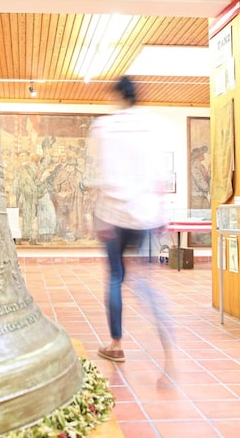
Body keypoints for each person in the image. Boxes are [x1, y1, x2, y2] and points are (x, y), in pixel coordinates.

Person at [84, 76, 174, 364]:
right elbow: (161, 174)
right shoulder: (154, 125)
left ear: (118, 97)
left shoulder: (103, 127)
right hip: (146, 215)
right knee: (145, 281)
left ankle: (116, 343)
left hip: (112, 215)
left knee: (115, 278)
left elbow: (98, 172)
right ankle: (166, 339)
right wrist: (161, 213)